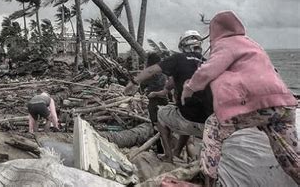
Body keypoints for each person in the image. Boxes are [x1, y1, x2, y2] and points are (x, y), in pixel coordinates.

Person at [181, 11, 299, 186]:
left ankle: (209, 180)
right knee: (288, 154)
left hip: (257, 107)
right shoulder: (252, 44)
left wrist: (189, 88)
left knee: (213, 127)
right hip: (282, 106)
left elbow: (210, 69)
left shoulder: (225, 44)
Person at [124, 30, 213, 162]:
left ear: (182, 45)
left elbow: (152, 70)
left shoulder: (178, 59)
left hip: (188, 119)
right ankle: (177, 151)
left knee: (161, 114)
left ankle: (168, 156)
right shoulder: (209, 63)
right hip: (209, 123)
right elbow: (167, 89)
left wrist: (133, 82)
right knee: (182, 114)